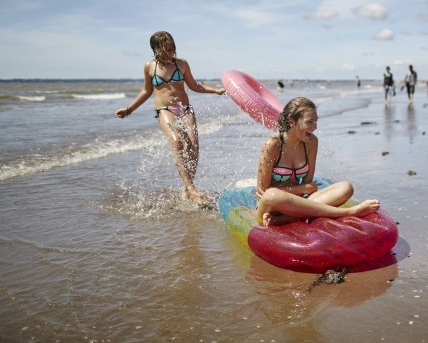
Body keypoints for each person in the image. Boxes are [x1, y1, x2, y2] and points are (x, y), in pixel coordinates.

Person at [115, 31, 225, 208]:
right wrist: (129, 109)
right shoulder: (149, 67)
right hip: (165, 110)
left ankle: (186, 189)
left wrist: (215, 90)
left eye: (172, 49)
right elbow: (146, 91)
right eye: (165, 50)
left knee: (193, 146)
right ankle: (192, 189)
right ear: (155, 50)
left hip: (185, 108)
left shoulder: (182, 64)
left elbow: (194, 86)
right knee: (177, 143)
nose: (169, 54)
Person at [255, 97, 380, 226]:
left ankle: (287, 219)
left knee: (345, 187)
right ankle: (350, 212)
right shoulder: (273, 144)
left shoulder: (311, 142)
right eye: (309, 122)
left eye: (315, 121)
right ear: (291, 121)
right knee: (272, 194)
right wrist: (301, 188)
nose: (315, 127)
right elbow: (263, 193)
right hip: (272, 206)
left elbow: (308, 187)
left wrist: (304, 190)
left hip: (298, 204)